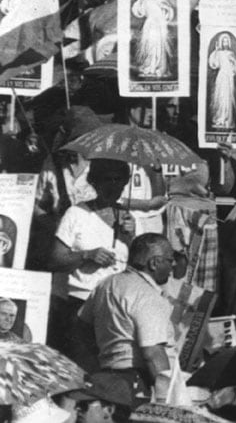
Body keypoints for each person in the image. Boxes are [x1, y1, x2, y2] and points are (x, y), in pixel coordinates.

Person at [78, 234, 176, 403]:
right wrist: (169, 401)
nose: (172, 267)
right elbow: (153, 354)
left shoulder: (106, 284)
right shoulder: (148, 296)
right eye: (169, 260)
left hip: (106, 376)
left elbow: (82, 325)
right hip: (137, 383)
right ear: (154, 263)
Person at [49, 159, 133, 352]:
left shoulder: (128, 218)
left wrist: (132, 236)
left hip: (117, 306)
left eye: (119, 180)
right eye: (107, 179)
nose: (114, 185)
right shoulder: (76, 213)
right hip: (82, 304)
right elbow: (55, 260)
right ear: (94, 182)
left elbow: (137, 265)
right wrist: (87, 255)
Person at [130, 0, 176, 79]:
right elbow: (139, 12)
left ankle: (160, 68)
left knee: (159, 47)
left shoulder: (162, 1)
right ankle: (149, 66)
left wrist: (165, 9)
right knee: (150, 47)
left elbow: (169, 13)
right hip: (150, 25)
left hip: (160, 26)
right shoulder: (145, 1)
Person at [208, 32, 236, 129]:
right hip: (221, 76)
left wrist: (233, 64)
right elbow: (214, 64)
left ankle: (227, 119)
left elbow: (235, 67)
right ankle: (219, 118)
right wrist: (216, 52)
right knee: (219, 98)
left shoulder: (231, 54)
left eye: (226, 41)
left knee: (227, 99)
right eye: (223, 41)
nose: (225, 43)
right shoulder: (219, 53)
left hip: (228, 78)